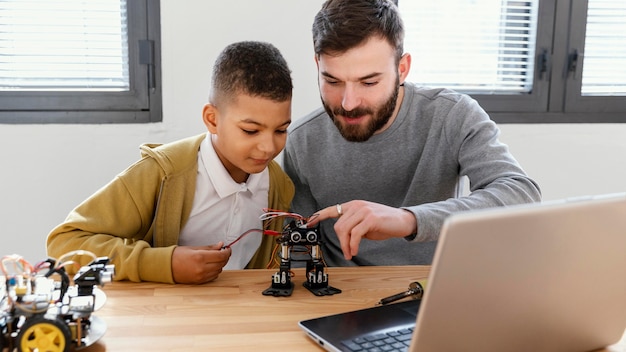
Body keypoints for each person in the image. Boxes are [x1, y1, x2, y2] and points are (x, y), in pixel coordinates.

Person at [284, 0, 542, 267]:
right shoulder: (301, 141)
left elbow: (521, 195)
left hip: (432, 291)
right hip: (340, 298)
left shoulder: (451, 115)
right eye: (333, 81)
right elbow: (299, 251)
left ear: (402, 69)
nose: (348, 103)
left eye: (369, 82)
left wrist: (407, 220)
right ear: (317, 65)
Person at [47, 41, 295, 284]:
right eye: (251, 131)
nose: (269, 147)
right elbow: (65, 243)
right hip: (162, 316)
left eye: (281, 130)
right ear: (212, 119)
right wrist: (163, 263)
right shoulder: (161, 174)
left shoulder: (278, 185)